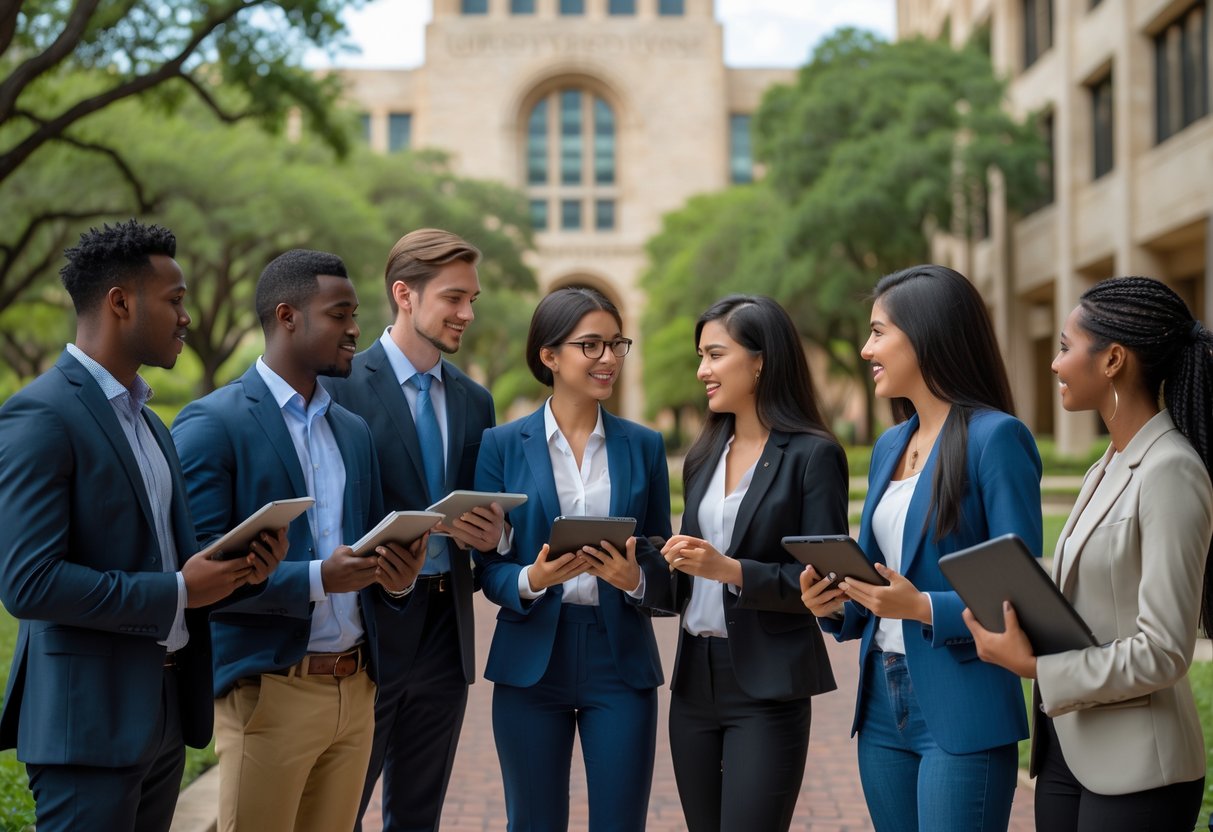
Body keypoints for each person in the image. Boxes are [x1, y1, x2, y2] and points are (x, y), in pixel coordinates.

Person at [0, 219, 286, 832]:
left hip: (164, 716)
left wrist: (242, 570)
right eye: (175, 300)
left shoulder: (154, 424)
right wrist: (181, 591)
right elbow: (29, 584)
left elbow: (170, 560)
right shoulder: (40, 414)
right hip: (88, 726)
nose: (186, 317)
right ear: (120, 303)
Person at [172, 249, 427, 832]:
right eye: (340, 314)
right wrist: (317, 578)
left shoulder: (353, 430)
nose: (356, 329)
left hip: (357, 691)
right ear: (288, 316)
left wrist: (396, 578)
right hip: (270, 693)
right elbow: (198, 577)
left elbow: (362, 555)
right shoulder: (213, 423)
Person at [966, 276, 1213, 832]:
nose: (1055, 364)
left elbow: (1164, 652)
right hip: (1068, 752)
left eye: (1064, 347)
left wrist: (1036, 667)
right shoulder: (1106, 466)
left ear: (1113, 360)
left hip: (1139, 770)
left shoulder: (1170, 470)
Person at [801, 264, 1042, 831]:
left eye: (879, 332)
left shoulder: (995, 437)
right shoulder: (891, 443)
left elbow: (1020, 596)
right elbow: (877, 580)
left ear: (927, 334)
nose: (865, 350)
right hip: (882, 707)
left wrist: (921, 607)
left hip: (963, 706)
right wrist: (834, 604)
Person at [473, 286, 672, 831]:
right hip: (531, 660)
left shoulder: (644, 445)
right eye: (591, 345)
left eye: (615, 344)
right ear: (549, 355)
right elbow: (487, 567)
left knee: (620, 822)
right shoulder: (501, 445)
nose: (608, 358)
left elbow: (660, 557)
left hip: (620, 658)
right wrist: (530, 579)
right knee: (533, 822)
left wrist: (635, 579)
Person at [324, 228, 503, 831]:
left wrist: (491, 538)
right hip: (367, 631)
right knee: (340, 810)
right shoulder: (338, 385)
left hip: (444, 632)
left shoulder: (476, 401)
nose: (467, 313)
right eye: (454, 298)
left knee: (418, 817)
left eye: (471, 299)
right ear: (404, 294)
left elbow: (488, 520)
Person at [656, 295, 848, 831]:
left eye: (715, 355)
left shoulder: (813, 455)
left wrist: (733, 571)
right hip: (694, 682)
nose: (702, 371)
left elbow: (827, 582)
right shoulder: (703, 454)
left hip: (768, 683)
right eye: (701, 356)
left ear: (760, 360)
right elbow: (691, 575)